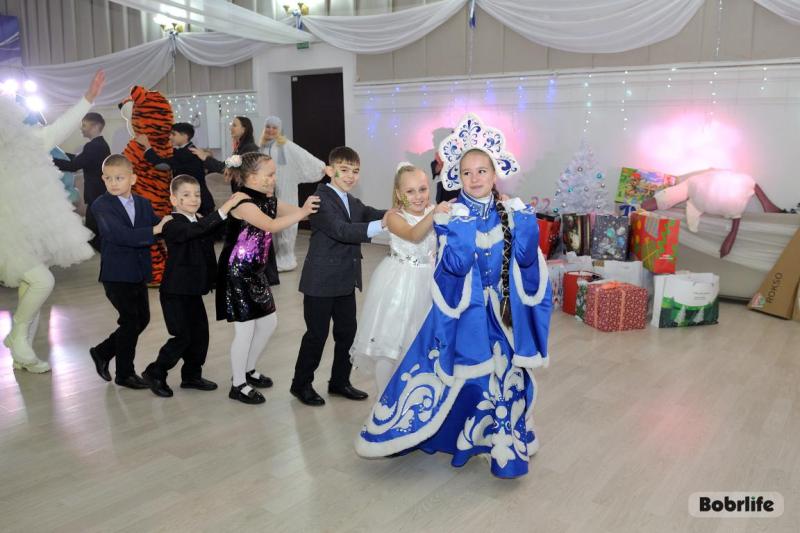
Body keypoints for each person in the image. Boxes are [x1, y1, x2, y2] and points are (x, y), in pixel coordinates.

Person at [355, 114, 553, 479]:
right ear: (456, 177)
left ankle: (499, 443)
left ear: (495, 173)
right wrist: (458, 225)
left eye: (482, 171)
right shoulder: (450, 216)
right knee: (460, 375)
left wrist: (521, 218)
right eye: (466, 173)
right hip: (465, 312)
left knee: (503, 377)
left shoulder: (511, 211)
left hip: (501, 314)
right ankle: (451, 436)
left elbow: (526, 260)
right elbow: (455, 266)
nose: (474, 179)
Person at [0, 70, 104, 373]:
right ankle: (17, 336)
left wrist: (88, 99)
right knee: (41, 281)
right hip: (7, 234)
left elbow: (61, 127)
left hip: (28, 231)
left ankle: (22, 352)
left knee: (28, 285)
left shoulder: (31, 141)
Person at [216, 152, 320, 405]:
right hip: (237, 272)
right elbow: (271, 226)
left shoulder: (269, 199)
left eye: (274, 174)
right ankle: (238, 384)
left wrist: (318, 206)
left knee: (268, 323)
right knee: (245, 330)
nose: (274, 179)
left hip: (255, 272)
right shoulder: (242, 203)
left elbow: (301, 213)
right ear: (252, 177)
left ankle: (248, 369)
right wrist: (302, 212)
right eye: (270, 174)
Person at [290, 146, 389, 407]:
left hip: (345, 280)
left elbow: (369, 213)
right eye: (344, 170)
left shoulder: (350, 200)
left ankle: (339, 381)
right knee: (317, 335)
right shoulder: (320, 199)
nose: (350, 176)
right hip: (320, 282)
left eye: (355, 171)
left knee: (347, 334)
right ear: (330, 170)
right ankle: (301, 384)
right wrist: (383, 224)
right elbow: (342, 230)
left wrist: (396, 213)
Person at [141, 176, 250, 397]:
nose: (194, 199)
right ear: (174, 199)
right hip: (175, 292)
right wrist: (224, 208)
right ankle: (155, 372)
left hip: (193, 291)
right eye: (186, 195)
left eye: (197, 194)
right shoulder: (171, 224)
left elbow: (214, 232)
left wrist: (236, 214)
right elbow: (194, 231)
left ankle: (191, 375)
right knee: (182, 336)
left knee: (200, 335)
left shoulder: (200, 220)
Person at [350, 163, 450, 395]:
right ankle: (384, 398)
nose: (418, 196)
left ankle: (416, 393)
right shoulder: (395, 217)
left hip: (429, 282)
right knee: (390, 342)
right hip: (400, 283)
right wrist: (434, 214)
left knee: (422, 341)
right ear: (398, 193)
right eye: (410, 191)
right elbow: (414, 235)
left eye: (422, 189)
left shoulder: (433, 210)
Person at [89, 154, 171, 389]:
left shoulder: (143, 203)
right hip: (116, 274)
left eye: (119, 178)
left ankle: (102, 352)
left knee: (141, 320)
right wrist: (156, 229)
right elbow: (119, 235)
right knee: (131, 321)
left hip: (138, 272)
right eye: (108, 178)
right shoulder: (101, 205)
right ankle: (125, 374)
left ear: (132, 179)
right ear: (103, 179)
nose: (113, 183)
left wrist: (179, 222)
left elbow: (158, 225)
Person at [190, 116, 279, 286]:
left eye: (235, 125)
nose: (231, 127)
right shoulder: (241, 147)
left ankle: (263, 274)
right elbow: (230, 169)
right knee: (252, 235)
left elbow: (230, 168)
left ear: (244, 128)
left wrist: (206, 159)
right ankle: (258, 273)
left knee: (257, 235)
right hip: (244, 196)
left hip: (250, 196)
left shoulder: (249, 149)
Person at [259, 115, 325, 272]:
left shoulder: (287, 146)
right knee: (272, 222)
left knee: (287, 223)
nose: (271, 130)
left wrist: (321, 167)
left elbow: (305, 157)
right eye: (268, 127)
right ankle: (275, 257)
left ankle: (286, 258)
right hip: (269, 191)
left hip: (286, 190)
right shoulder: (262, 147)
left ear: (280, 130)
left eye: (274, 127)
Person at [136, 122, 214, 216]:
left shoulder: (187, 153)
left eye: (173, 134)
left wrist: (147, 145)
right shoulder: (185, 150)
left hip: (198, 203)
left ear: (185, 136)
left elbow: (161, 164)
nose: (170, 137)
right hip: (196, 200)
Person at [52, 111, 110, 210]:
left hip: (96, 195)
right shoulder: (100, 144)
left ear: (95, 127)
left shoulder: (93, 146)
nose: (81, 128)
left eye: (84, 125)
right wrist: (61, 154)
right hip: (99, 194)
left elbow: (73, 166)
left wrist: (48, 160)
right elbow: (79, 158)